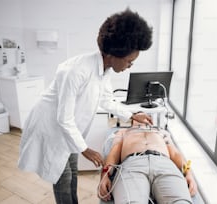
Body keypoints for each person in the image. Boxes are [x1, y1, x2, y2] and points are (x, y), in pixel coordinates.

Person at [18, 9, 153, 204]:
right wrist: (85, 149)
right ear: (115, 53)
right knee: (63, 179)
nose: (130, 66)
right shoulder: (75, 71)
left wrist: (133, 115)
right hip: (52, 128)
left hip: (68, 129)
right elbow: (63, 119)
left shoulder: (104, 70)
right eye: (129, 61)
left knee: (72, 171)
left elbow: (107, 100)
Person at [98, 120, 198, 203]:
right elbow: (114, 151)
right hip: (132, 164)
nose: (143, 118)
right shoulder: (124, 131)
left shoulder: (160, 131)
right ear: (133, 120)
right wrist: (105, 174)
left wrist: (188, 173)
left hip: (164, 163)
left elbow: (175, 154)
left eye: (146, 116)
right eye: (139, 116)